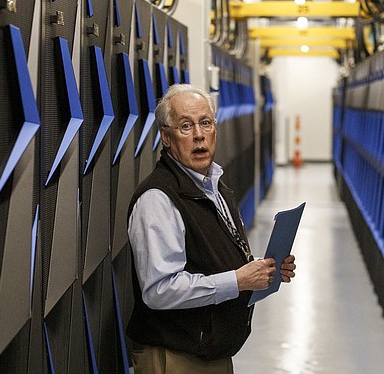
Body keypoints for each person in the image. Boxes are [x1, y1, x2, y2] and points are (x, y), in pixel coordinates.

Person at [127, 83, 297, 374]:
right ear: (166, 138)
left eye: (205, 123)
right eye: (185, 126)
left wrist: (262, 272)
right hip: (175, 358)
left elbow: (215, 257)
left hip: (211, 353)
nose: (198, 135)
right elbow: (159, 290)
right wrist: (237, 280)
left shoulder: (214, 187)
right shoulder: (158, 198)